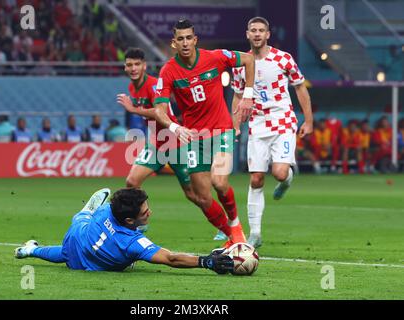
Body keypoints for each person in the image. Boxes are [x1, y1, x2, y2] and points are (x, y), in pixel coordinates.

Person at [153, 19, 255, 248]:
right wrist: (175, 127)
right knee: (202, 197)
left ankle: (237, 227)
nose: (185, 42)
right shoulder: (168, 70)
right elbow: (159, 110)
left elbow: (248, 59)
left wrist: (248, 94)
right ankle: (230, 235)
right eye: (180, 39)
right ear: (174, 43)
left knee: (219, 182)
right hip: (194, 138)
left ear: (195, 40)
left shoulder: (215, 57)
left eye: (189, 37)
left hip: (221, 130)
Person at [14, 188, 234, 274]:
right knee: (82, 220)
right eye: (145, 212)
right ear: (129, 220)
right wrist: (207, 261)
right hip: (87, 261)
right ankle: (31, 250)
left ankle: (29, 250)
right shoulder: (133, 243)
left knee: (80, 224)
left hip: (77, 239)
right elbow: (171, 258)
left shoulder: (107, 211)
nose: (150, 213)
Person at [231, 17, 313, 248]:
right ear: (247, 34)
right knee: (256, 178)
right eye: (253, 30)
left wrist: (308, 120)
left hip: (283, 121)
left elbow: (299, 88)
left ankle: (286, 180)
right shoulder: (241, 63)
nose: (257, 34)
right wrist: (235, 124)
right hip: (257, 124)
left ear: (268, 34)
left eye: (261, 31)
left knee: (278, 173)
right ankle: (255, 233)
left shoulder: (283, 58)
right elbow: (238, 95)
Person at [116, 47, 199, 211]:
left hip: (176, 143)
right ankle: (141, 219)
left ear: (144, 66)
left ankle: (224, 221)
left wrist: (133, 110)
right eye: (129, 65)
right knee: (132, 182)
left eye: (137, 64)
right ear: (125, 67)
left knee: (193, 193)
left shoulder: (154, 85)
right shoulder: (132, 88)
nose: (133, 69)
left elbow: (159, 112)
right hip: (156, 143)